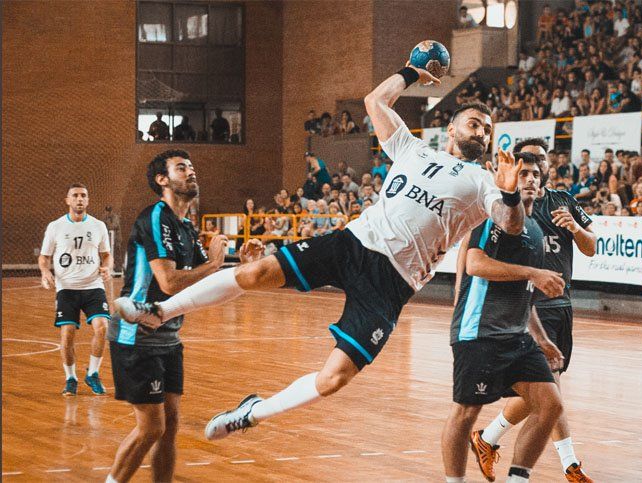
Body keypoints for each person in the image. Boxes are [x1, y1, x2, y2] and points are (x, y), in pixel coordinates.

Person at [115, 65, 530, 443]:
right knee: (255, 273)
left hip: (392, 284)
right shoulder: (414, 148)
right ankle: (160, 312)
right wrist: (411, 72)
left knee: (334, 379)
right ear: (451, 128)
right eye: (474, 123)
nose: (482, 132)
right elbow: (375, 101)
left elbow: (510, 224)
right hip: (353, 244)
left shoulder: (484, 182)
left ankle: (252, 413)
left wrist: (510, 194)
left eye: (487, 129)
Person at [104, 150, 264, 482]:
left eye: (191, 167)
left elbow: (206, 281)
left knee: (171, 425)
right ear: (162, 180)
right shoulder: (154, 217)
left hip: (169, 337)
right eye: (181, 168)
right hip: (137, 335)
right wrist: (215, 264)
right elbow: (168, 281)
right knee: (151, 428)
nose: (191, 172)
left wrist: (243, 266)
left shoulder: (187, 228)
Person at [468, 139, 596, 483]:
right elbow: (476, 260)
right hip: (529, 310)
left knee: (544, 391)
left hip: (562, 306)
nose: (532, 172)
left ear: (547, 168)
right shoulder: (509, 209)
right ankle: (569, 464)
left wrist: (576, 228)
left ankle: (487, 438)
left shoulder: (563, 201)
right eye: (525, 166)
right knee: (548, 388)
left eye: (539, 163)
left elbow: (591, 247)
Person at [443, 152, 565, 483]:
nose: (530, 179)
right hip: (479, 332)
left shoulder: (536, 231)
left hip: (516, 337)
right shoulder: (492, 216)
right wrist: (533, 272)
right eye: (523, 173)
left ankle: (517, 479)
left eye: (535, 174)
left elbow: (526, 292)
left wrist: (541, 338)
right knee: (465, 413)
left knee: (550, 405)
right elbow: (475, 264)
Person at [39, 184, 112, 396]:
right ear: (68, 200)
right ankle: (70, 378)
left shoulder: (98, 226)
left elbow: (106, 254)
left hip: (93, 286)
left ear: (87, 200)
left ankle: (93, 373)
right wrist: (45, 271)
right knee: (68, 333)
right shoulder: (56, 226)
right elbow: (44, 257)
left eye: (83, 195)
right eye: (75, 195)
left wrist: (107, 267)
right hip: (67, 288)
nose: (79, 199)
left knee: (102, 328)